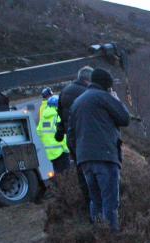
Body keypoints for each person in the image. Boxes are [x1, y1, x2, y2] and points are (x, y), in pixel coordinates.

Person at [69, 68, 131, 232]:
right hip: (105, 157)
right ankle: (111, 240)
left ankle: (98, 236)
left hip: (85, 160)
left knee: (95, 201)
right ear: (107, 85)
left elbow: (71, 134)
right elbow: (125, 119)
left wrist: (78, 155)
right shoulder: (104, 97)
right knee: (110, 203)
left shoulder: (77, 102)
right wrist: (116, 99)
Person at [56, 66, 93, 213]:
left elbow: (60, 114)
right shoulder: (86, 93)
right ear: (87, 79)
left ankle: (86, 201)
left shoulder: (65, 91)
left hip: (71, 138)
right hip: (84, 137)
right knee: (92, 171)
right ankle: (94, 204)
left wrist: (61, 131)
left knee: (80, 170)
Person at [36, 95, 71, 174]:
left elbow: (38, 133)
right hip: (61, 152)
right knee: (66, 175)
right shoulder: (58, 117)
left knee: (54, 174)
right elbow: (63, 135)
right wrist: (67, 149)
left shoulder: (43, 118)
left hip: (47, 153)